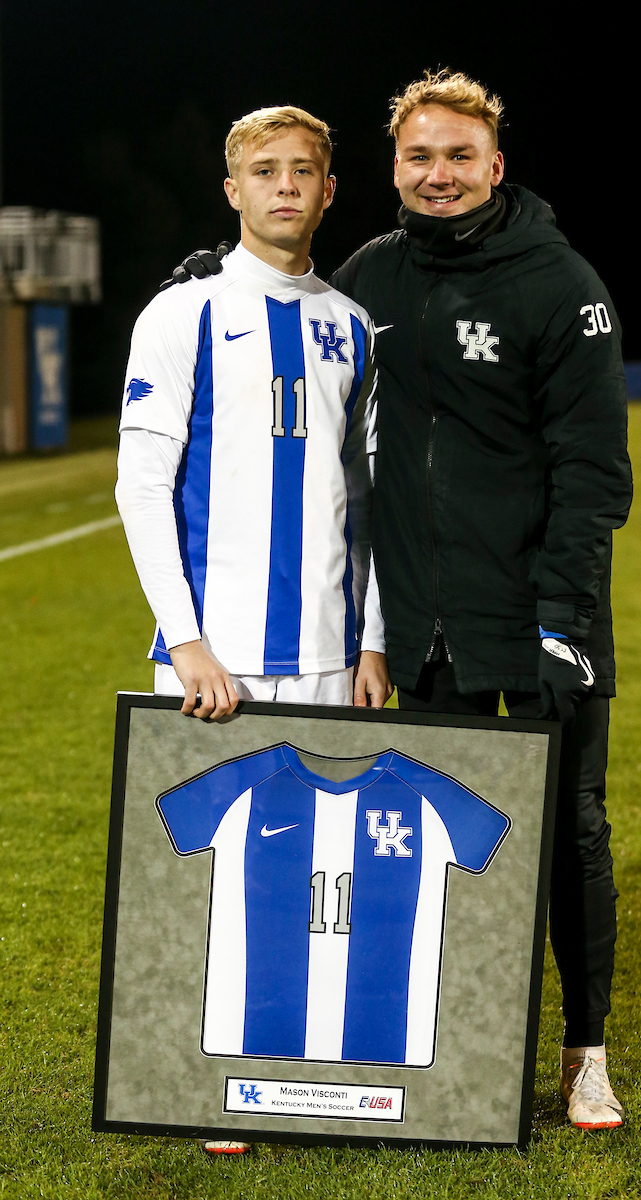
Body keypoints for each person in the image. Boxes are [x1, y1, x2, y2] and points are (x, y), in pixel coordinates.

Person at [170, 70, 633, 1131]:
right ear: (392, 169)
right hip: (420, 630)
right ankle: (452, 1054)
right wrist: (215, 283)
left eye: (457, 156)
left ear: (494, 166)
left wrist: (561, 617)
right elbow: (295, 308)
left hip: (542, 619)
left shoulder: (558, 282)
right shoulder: (371, 277)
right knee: (432, 847)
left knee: (569, 831)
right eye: (418, 157)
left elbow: (593, 471)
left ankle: (583, 1051)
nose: (438, 175)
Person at [115, 105, 392, 1152]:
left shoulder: (353, 324)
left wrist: (372, 638)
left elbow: (366, 503)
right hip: (216, 654)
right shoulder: (182, 312)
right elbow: (142, 485)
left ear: (329, 191)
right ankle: (209, 1078)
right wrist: (182, 639)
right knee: (213, 872)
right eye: (263, 172)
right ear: (231, 191)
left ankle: (295, 1070)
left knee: (316, 874)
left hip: (328, 652)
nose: (285, 187)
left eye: (305, 172)